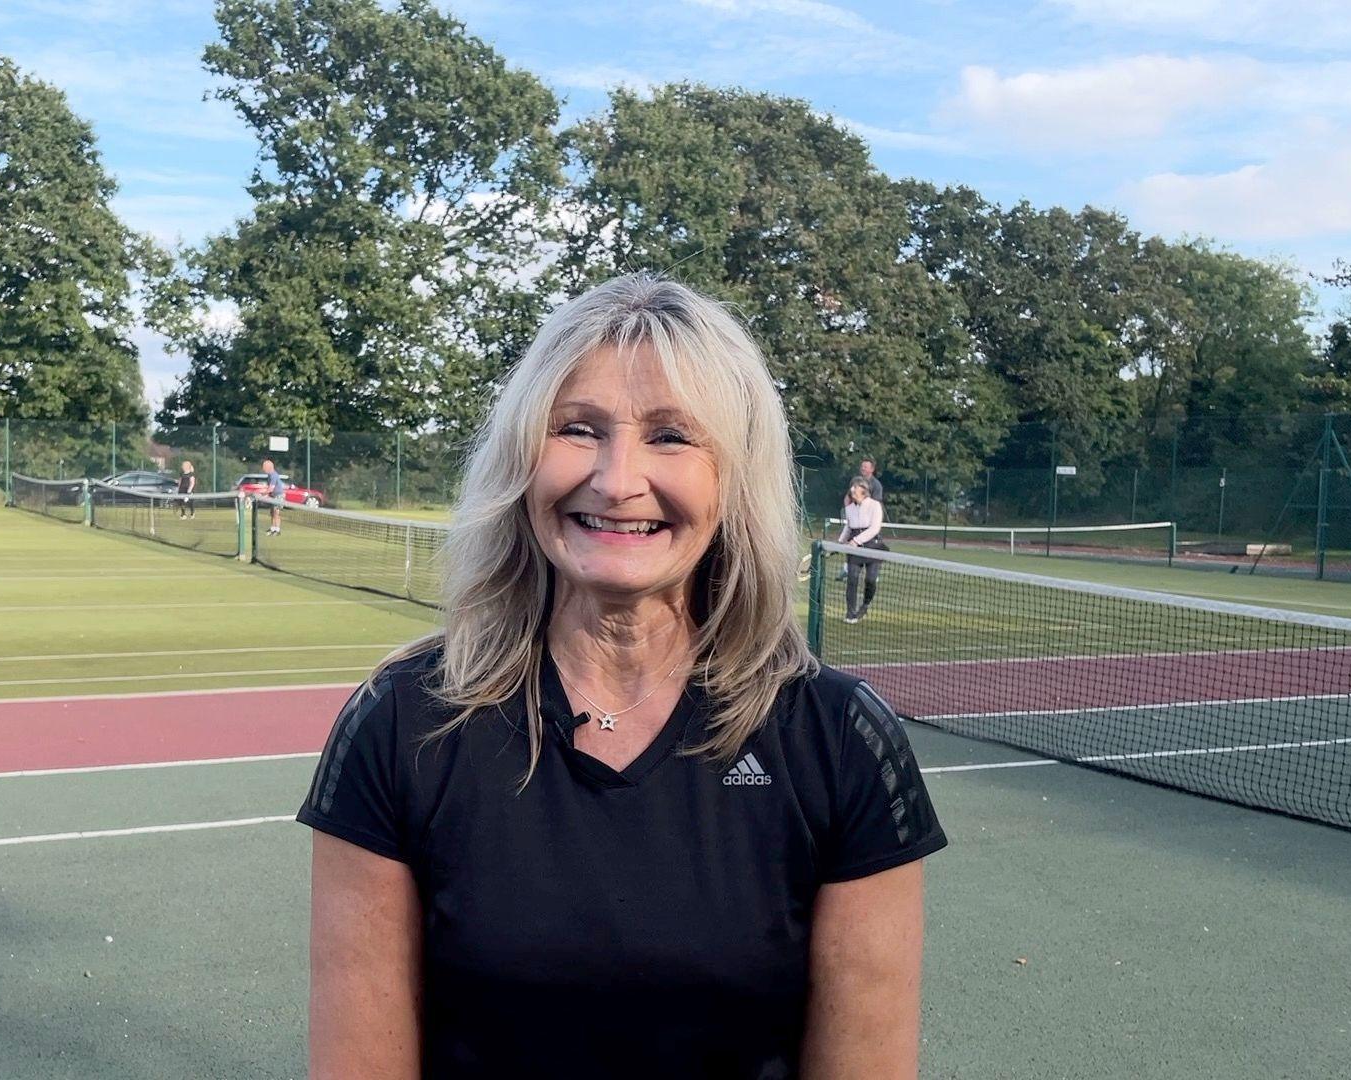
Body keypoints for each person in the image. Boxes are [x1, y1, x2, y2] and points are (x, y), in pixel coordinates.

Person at [300, 274, 945, 1079]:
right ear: (522, 460)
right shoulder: (402, 723)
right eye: (577, 429)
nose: (615, 479)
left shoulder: (839, 740)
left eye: (671, 437)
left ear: (733, 479)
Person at [837, 480, 886, 622]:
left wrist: (856, 541)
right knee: (852, 579)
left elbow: (874, 529)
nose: (852, 491)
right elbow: (849, 527)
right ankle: (850, 613)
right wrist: (840, 543)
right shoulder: (850, 508)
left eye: (855, 489)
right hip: (855, 550)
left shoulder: (875, 506)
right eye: (851, 488)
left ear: (864, 491)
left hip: (873, 546)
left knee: (871, 579)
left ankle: (865, 606)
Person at [261, 457, 285, 535]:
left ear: (269, 467)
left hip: (278, 496)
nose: (263, 469)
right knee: (272, 513)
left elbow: (271, 488)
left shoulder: (274, 475)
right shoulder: (269, 476)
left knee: (276, 513)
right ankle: (273, 528)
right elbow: (270, 489)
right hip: (273, 496)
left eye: (264, 467)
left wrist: (263, 494)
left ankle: (277, 530)